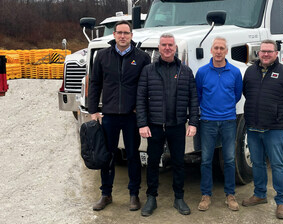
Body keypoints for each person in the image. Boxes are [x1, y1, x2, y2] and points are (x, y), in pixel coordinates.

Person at [88, 20, 151, 212]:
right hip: (109, 115)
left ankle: (134, 195)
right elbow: (95, 83)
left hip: (131, 116)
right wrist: (93, 110)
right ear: (114, 35)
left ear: (132, 35)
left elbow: (145, 87)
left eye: (126, 33)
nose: (123, 36)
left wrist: (141, 111)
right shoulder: (102, 56)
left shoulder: (142, 58)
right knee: (107, 156)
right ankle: (106, 194)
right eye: (119, 33)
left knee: (133, 156)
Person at [136, 33, 199, 217]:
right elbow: (140, 99)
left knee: (179, 162)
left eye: (170, 44)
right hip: (154, 126)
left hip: (177, 125)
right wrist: (142, 123)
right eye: (163, 45)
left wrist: (193, 122)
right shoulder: (148, 70)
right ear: (159, 47)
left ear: (175, 47)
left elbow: (193, 99)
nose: (167, 48)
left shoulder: (185, 71)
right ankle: (151, 197)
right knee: (153, 162)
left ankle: (179, 197)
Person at [242, 39, 283, 219]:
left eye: (269, 51)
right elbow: (247, 93)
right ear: (258, 53)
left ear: (276, 53)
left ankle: (282, 201)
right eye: (263, 51)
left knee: (277, 164)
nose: (266, 54)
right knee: (257, 162)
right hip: (253, 126)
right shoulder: (250, 72)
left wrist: (280, 114)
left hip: (274, 128)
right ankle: (260, 194)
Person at [195, 37, 242, 211]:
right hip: (207, 121)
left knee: (229, 159)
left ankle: (230, 195)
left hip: (229, 120)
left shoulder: (235, 72)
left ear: (226, 51)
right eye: (216, 48)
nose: (219, 51)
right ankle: (206, 195)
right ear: (211, 50)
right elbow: (198, 94)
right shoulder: (202, 72)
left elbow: (237, 95)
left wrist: (225, 110)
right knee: (206, 160)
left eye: (222, 48)